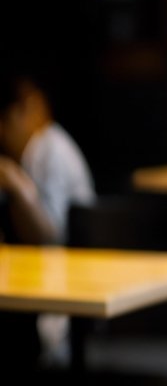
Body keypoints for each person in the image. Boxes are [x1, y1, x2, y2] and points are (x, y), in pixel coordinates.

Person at [0, 68, 96, 361]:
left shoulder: (47, 148)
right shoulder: (43, 150)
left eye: (4, 123)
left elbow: (49, 234)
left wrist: (16, 186)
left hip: (65, 300)